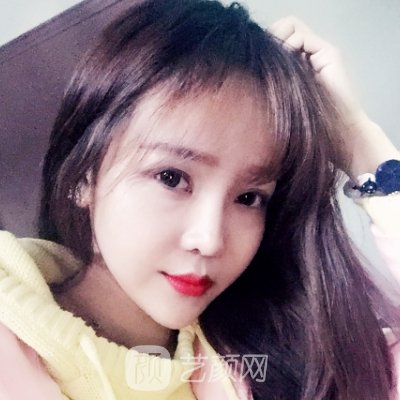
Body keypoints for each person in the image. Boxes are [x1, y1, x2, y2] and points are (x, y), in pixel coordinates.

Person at [0, 0, 399, 399]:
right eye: (171, 178)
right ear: (84, 175)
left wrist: (361, 144)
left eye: (249, 197)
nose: (210, 240)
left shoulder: (272, 356)